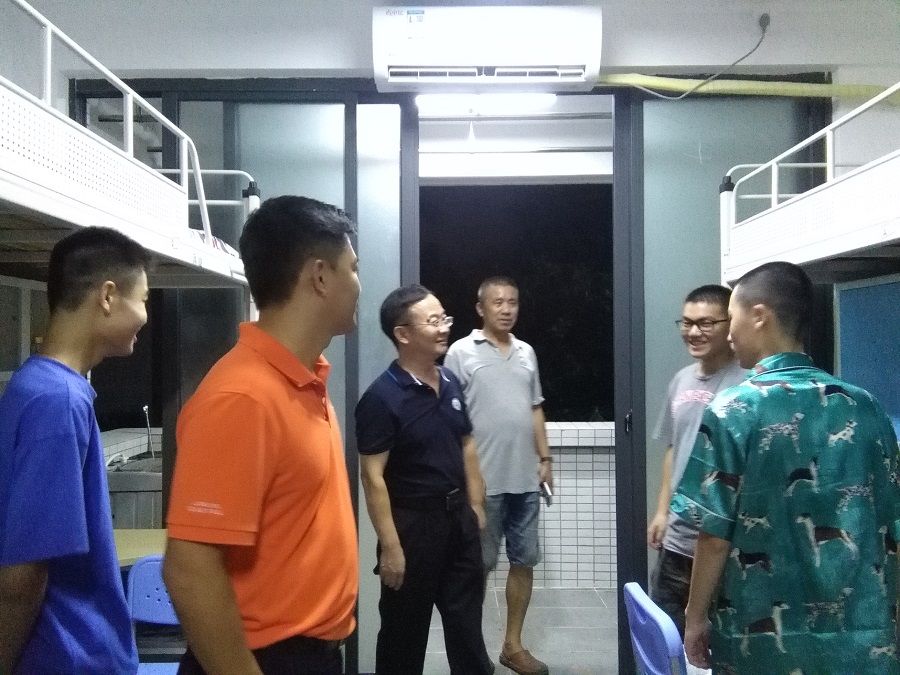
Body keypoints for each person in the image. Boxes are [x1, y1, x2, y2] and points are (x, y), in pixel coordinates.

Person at [163, 196, 360, 675]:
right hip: (265, 659)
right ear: (320, 276)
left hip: (310, 654)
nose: (359, 284)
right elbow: (189, 571)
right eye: (353, 269)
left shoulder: (304, 378)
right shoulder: (243, 397)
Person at [672, 261, 900, 673]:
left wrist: (695, 617)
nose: (728, 334)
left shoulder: (733, 410)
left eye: (732, 318)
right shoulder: (867, 407)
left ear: (759, 316)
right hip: (861, 637)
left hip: (760, 640)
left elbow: (714, 535)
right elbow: (892, 520)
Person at [0, 227, 149, 674]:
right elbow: (24, 575)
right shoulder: (58, 401)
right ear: (108, 296)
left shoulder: (34, 387)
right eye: (142, 300)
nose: (145, 315)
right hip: (67, 654)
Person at [356, 284, 494, 675]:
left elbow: (467, 444)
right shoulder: (382, 398)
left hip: (458, 521)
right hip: (412, 527)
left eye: (444, 318)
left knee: (468, 631)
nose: (444, 327)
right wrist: (391, 547)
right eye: (433, 321)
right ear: (403, 334)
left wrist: (475, 507)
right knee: (403, 636)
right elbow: (372, 477)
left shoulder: (449, 381)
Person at [444, 276, 551, 675]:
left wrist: (545, 458)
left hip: (525, 480)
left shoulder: (526, 352)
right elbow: (449, 416)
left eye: (512, 302)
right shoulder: (460, 352)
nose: (506, 309)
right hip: (481, 484)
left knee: (524, 562)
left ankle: (512, 646)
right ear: (481, 308)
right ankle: (471, 654)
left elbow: (535, 407)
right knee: (477, 569)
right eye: (498, 302)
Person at [646, 285, 745, 636]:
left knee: (715, 643)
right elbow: (674, 448)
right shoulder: (681, 380)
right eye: (687, 323)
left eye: (705, 323)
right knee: (665, 638)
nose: (693, 332)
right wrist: (662, 511)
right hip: (677, 540)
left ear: (729, 323)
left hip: (724, 545)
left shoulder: (747, 384)